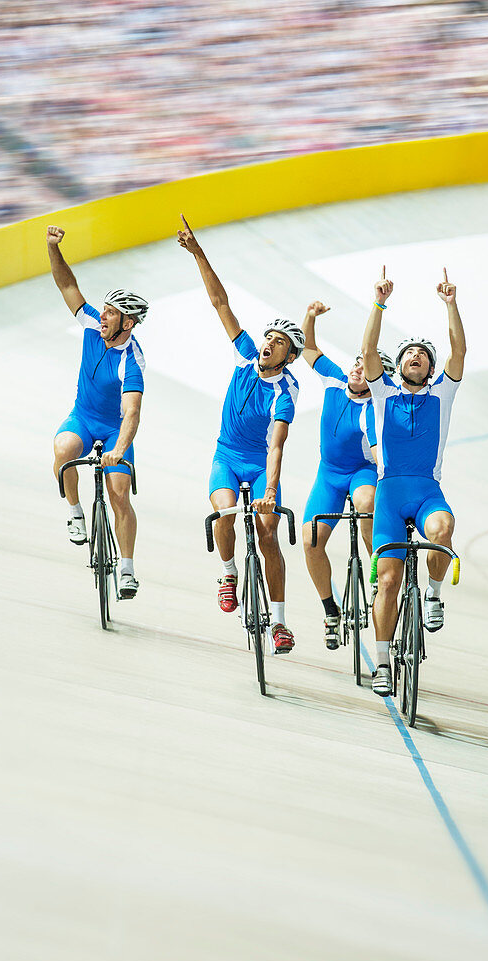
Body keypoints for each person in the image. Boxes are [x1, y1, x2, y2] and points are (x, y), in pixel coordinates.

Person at [176, 214, 302, 654]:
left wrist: (271, 491)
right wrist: (198, 253)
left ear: (288, 356)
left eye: (279, 341)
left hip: (260, 463)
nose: (268, 341)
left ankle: (281, 623)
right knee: (226, 515)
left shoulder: (285, 390)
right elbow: (220, 303)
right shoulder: (246, 357)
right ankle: (228, 571)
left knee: (268, 535)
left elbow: (277, 444)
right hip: (227, 457)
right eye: (268, 335)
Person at [361, 266, 466, 696]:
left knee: (443, 530)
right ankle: (383, 662)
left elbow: (460, 349)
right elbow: (368, 349)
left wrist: (450, 303)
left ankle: (436, 594)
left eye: (424, 353)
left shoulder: (443, 392)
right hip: (389, 494)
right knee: (388, 581)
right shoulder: (383, 392)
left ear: (431, 365)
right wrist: (379, 302)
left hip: (426, 491)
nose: (416, 357)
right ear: (399, 365)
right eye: (409, 354)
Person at [47, 225, 148, 598]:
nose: (101, 317)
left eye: (110, 314)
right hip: (83, 417)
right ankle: (75, 512)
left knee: (120, 493)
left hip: (115, 429)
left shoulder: (131, 360)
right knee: (63, 450)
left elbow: (132, 413)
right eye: (103, 311)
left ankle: (127, 569)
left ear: (128, 323)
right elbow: (67, 286)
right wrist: (52, 248)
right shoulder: (92, 325)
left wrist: (119, 449)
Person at [300, 300, 393, 649]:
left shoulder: (379, 406)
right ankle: (330, 610)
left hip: (361, 474)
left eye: (367, 366)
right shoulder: (334, 380)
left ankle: (376, 574)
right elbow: (309, 348)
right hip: (330, 475)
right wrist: (309, 317)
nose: (357, 368)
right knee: (310, 540)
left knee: (367, 501)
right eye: (357, 362)